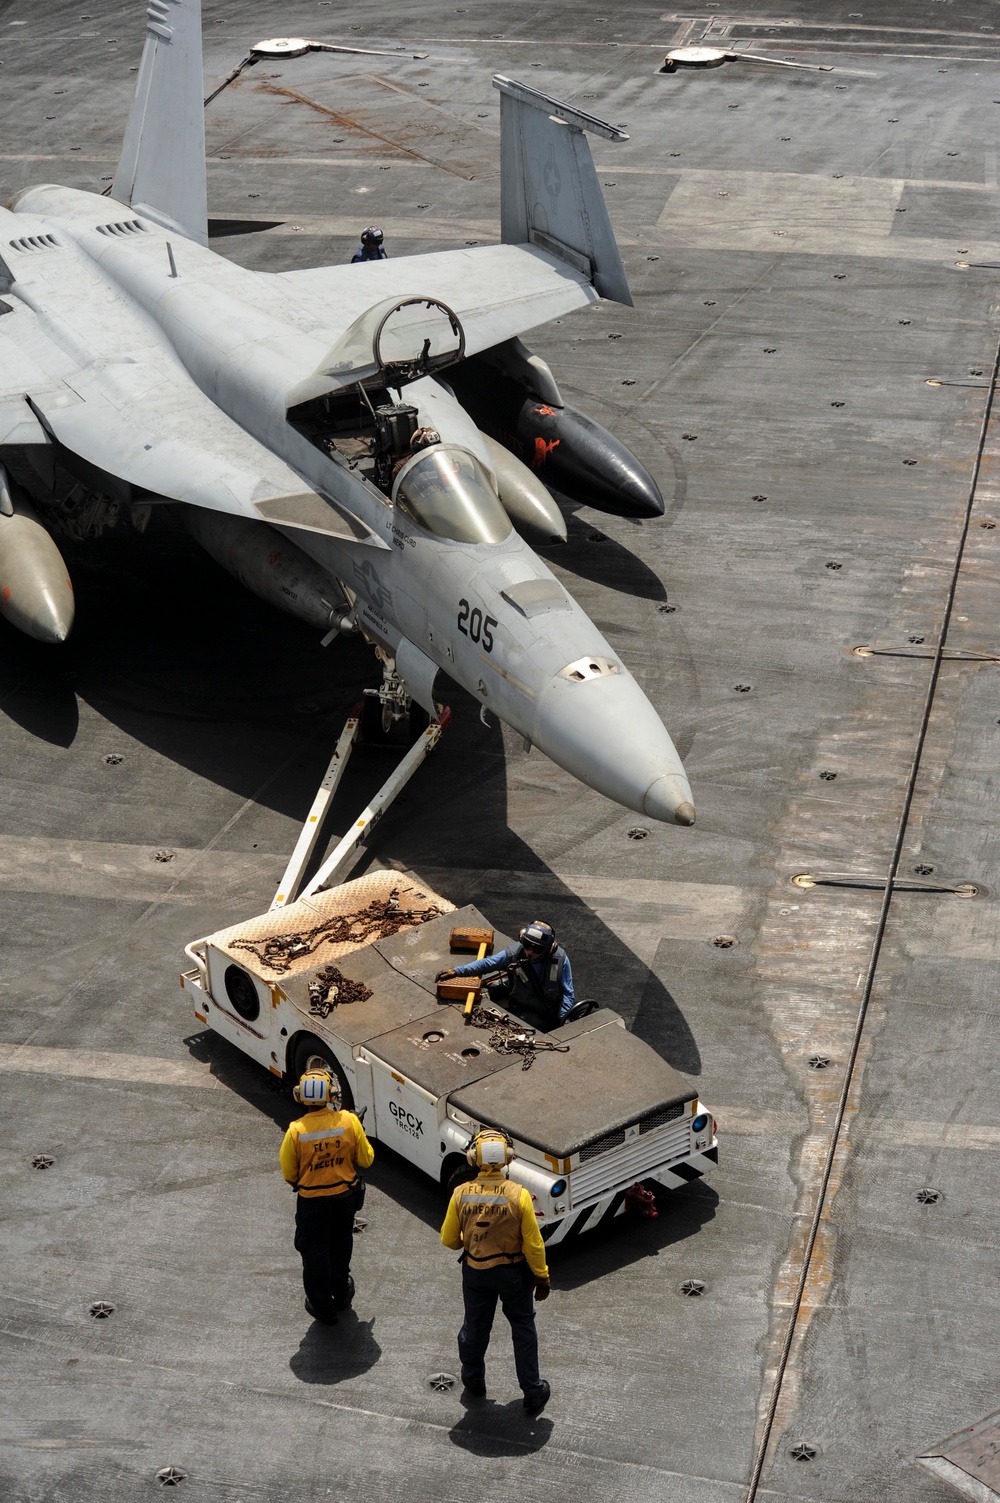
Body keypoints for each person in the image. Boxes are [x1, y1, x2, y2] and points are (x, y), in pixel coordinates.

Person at [440, 1128, 551, 1413]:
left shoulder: (460, 1194)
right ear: (507, 1159)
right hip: (513, 1274)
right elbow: (534, 1244)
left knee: (475, 1326)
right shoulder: (519, 1195)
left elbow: (449, 1240)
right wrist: (542, 1276)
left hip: (476, 1272)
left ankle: (474, 1380)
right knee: (523, 1328)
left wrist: (474, 1241)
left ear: (473, 1157)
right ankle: (532, 1390)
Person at [279, 1068, 374, 1325]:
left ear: (300, 1097)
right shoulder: (349, 1122)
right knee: (341, 1244)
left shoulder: (296, 1130)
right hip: (344, 1199)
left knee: (314, 1252)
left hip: (312, 1203)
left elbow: (289, 1173)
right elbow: (366, 1159)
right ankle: (342, 1294)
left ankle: (323, 1307)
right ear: (332, 1094)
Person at [436, 920, 574, 1032]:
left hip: (550, 1013)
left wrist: (564, 1020)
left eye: (536, 949)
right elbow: (486, 964)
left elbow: (568, 993)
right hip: (524, 1010)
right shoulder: (514, 955)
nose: (529, 952)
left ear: (548, 949)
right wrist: (457, 971)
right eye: (527, 945)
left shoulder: (560, 959)